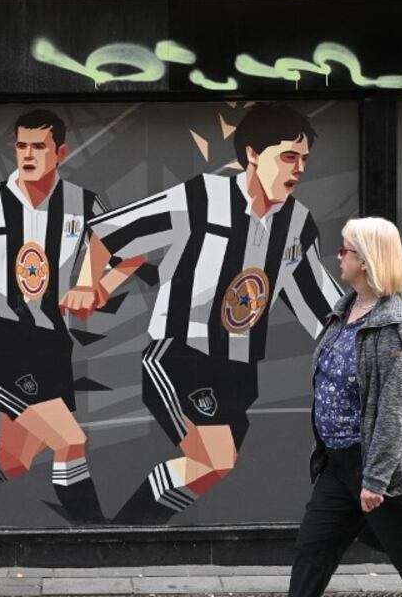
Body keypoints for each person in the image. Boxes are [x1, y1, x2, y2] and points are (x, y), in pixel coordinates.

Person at [78, 103, 344, 524]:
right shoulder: (202, 196)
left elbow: (322, 303)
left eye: (304, 159)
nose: (299, 169)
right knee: (214, 458)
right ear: (254, 153)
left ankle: (131, 530)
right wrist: (85, 282)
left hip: (239, 371)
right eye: (288, 156)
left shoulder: (297, 223)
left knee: (211, 466)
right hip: (180, 355)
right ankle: (126, 535)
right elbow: (112, 232)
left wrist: (366, 344)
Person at [0, 109, 141, 526]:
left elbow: (134, 248)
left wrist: (96, 283)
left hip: (52, 342)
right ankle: (95, 536)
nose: (28, 154)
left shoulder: (82, 203)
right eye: (21, 145)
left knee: (15, 458)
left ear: (61, 152)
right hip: (3, 337)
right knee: (71, 440)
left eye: (39, 146)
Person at [289, 217, 402, 597]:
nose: (339, 257)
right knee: (310, 554)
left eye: (345, 250)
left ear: (365, 261)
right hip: (337, 464)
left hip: (382, 472)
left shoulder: (393, 329)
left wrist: (376, 479)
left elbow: (395, 409)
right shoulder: (343, 312)